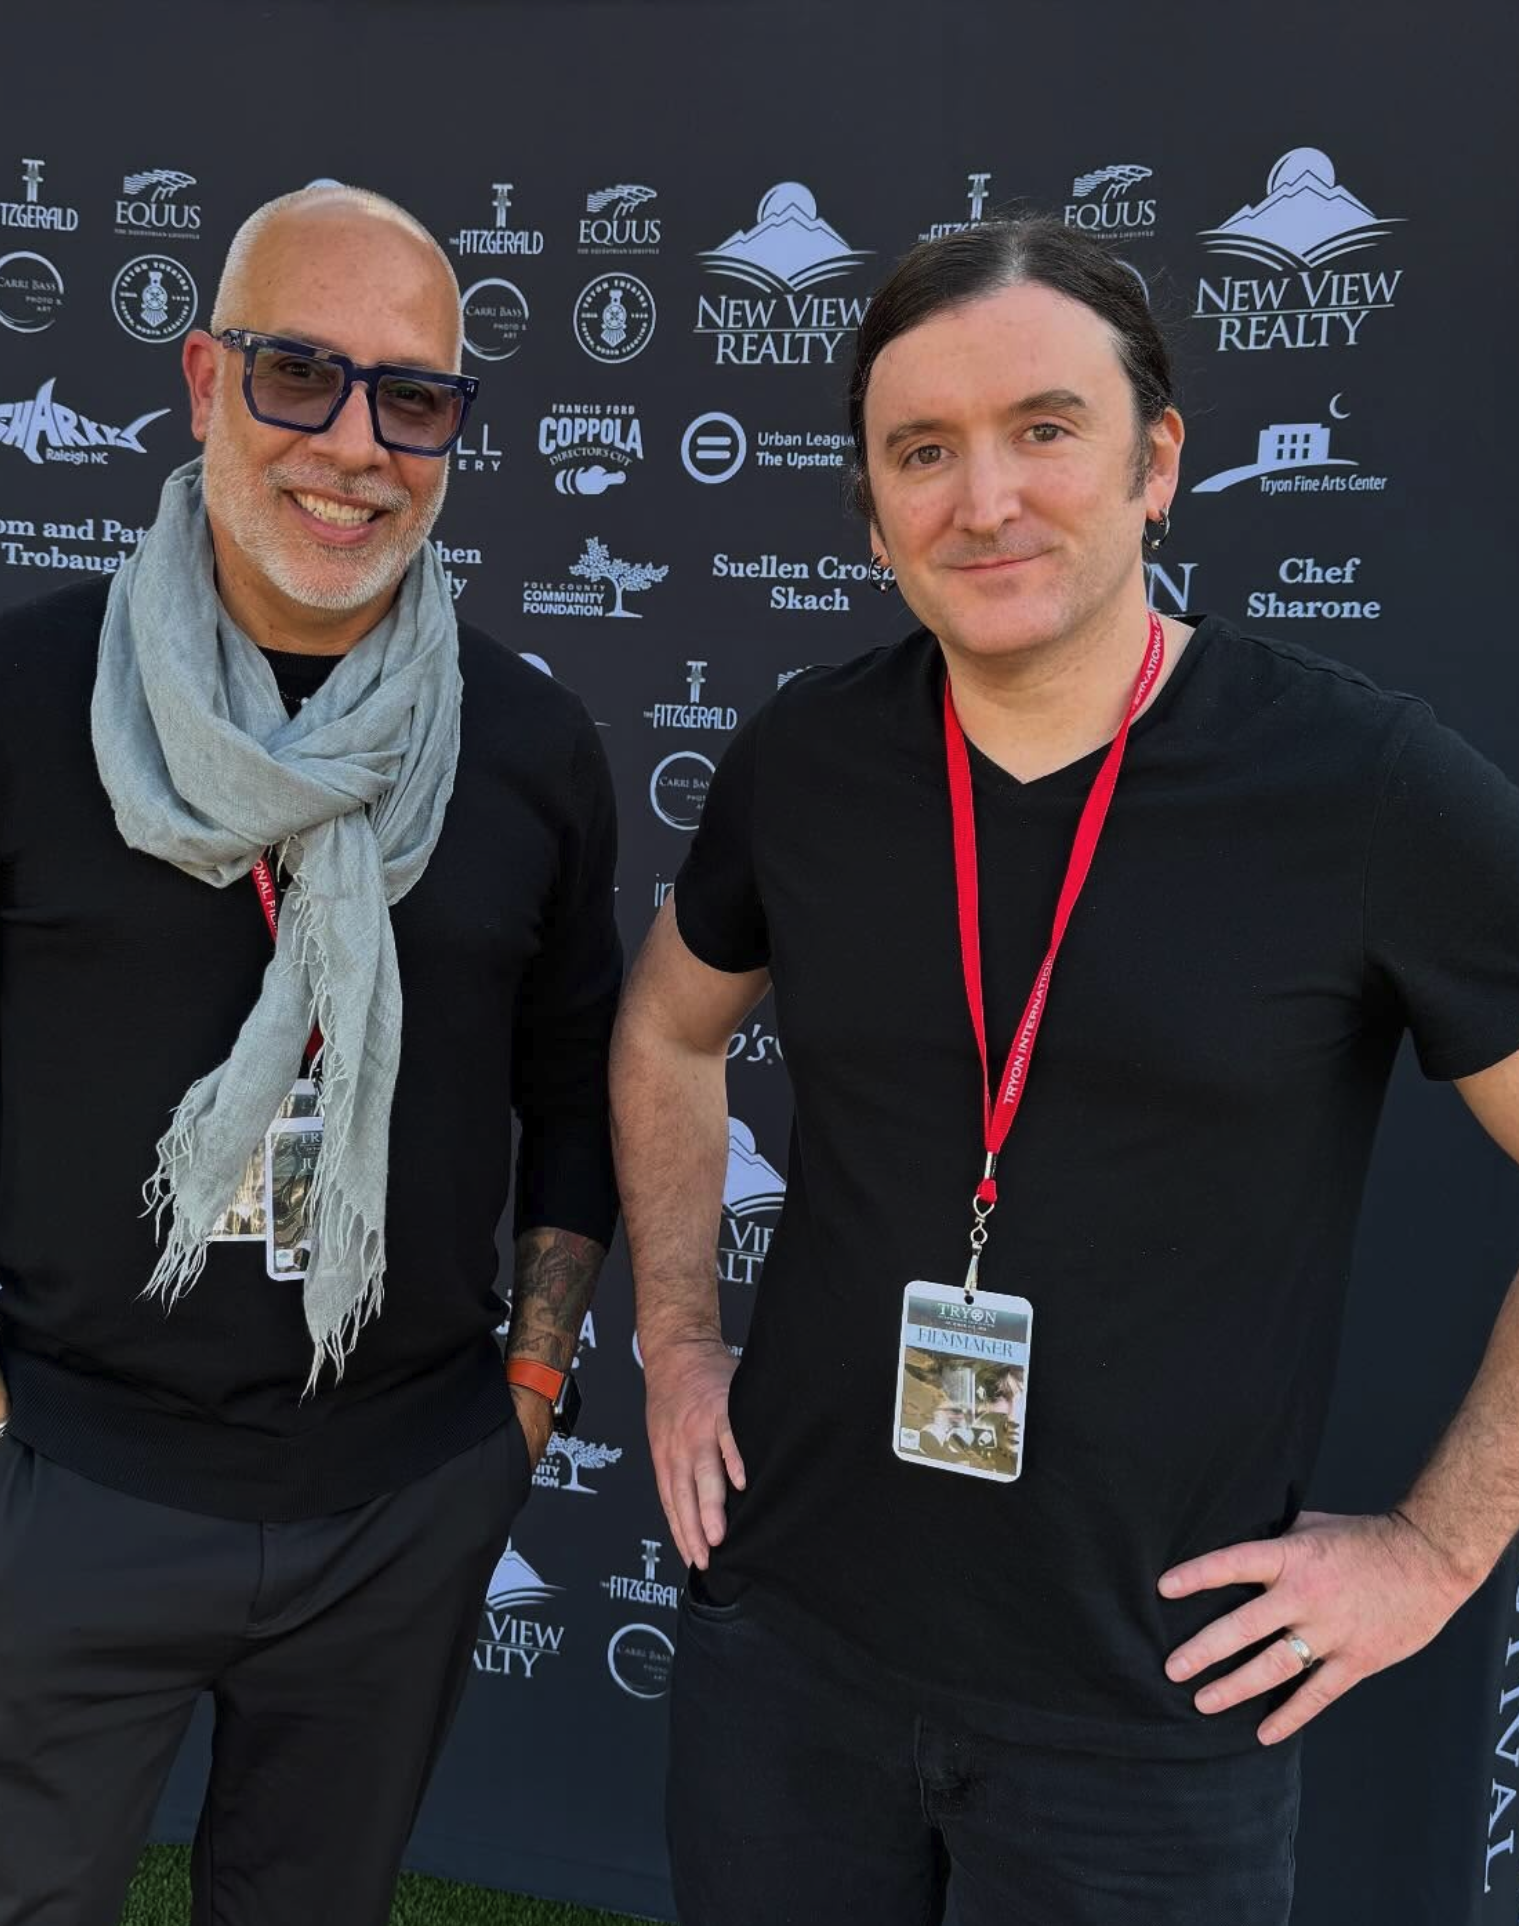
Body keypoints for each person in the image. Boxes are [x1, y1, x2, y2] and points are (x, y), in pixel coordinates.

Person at [609, 217, 1519, 1924]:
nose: (986, 499)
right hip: (791, 1649)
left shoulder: (1362, 787)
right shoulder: (808, 756)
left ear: (1156, 463)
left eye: (1045, 429)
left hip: (1149, 1717)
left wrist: (1440, 1546)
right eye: (922, 451)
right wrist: (673, 1337)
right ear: (873, 508)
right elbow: (667, 1024)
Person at [0, 184, 620, 1926]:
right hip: (76, 1487)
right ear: (204, 380)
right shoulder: (9, 700)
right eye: (298, 373)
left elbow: (577, 1092)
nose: (354, 445)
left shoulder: (531, 744)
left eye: (413, 397)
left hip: (403, 1499)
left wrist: (524, 1403)